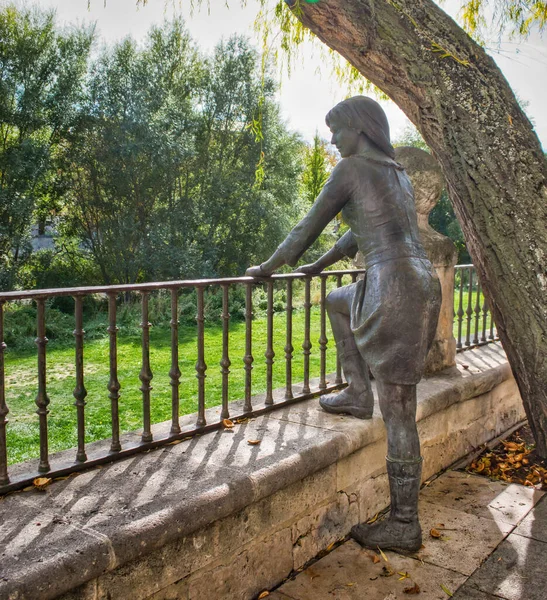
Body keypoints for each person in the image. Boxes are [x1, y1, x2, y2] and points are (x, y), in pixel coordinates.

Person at [246, 96, 441, 553]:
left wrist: (271, 266)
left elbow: (307, 224)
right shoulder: (396, 173)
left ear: (360, 129)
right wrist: (319, 266)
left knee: (398, 406)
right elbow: (360, 229)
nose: (333, 140)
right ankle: (356, 392)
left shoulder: (352, 169)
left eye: (337, 130)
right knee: (338, 299)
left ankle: (404, 524)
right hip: (418, 281)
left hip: (394, 284)